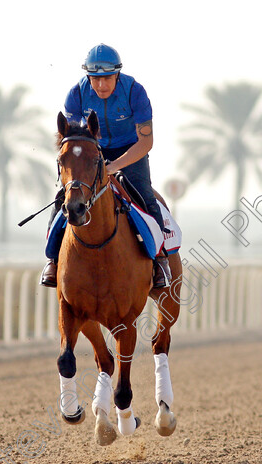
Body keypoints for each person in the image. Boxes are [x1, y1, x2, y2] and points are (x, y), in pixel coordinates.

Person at [40, 43, 171, 289]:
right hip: (93, 150)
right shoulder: (76, 94)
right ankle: (53, 260)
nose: (101, 85)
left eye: (107, 78)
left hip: (131, 151)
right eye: (95, 79)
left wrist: (113, 167)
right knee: (63, 197)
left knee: (145, 196)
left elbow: (146, 142)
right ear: (88, 77)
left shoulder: (135, 92)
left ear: (117, 74)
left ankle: (160, 259)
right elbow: (71, 137)